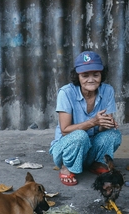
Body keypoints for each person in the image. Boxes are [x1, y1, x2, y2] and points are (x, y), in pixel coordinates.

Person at [49, 51, 122, 186]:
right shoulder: (66, 93)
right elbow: (65, 130)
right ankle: (67, 167)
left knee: (113, 135)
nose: (91, 79)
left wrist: (107, 124)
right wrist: (93, 122)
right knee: (80, 136)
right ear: (78, 76)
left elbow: (101, 129)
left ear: (101, 75)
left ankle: (96, 163)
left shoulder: (107, 91)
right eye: (85, 75)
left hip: (88, 149)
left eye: (96, 75)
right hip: (65, 148)